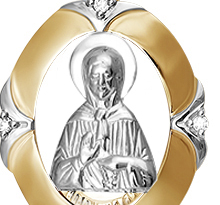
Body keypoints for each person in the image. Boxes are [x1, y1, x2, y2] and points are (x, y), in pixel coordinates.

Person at [50, 46, 156, 192]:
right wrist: (80, 161)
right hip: (84, 201)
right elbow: (56, 179)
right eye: (95, 76)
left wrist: (121, 161)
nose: (101, 82)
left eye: (107, 75)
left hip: (123, 199)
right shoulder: (75, 122)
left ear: (118, 78)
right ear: (86, 78)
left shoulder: (128, 122)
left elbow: (150, 175)